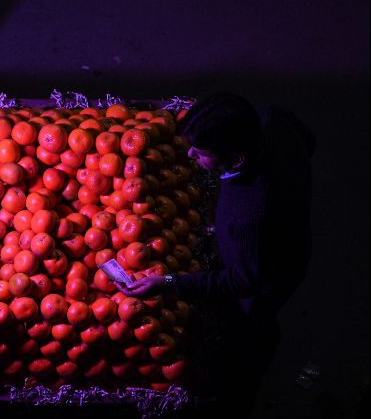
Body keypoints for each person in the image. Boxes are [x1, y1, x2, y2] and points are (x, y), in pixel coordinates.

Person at [117, 92, 316, 417]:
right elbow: (310, 141)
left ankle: (238, 400)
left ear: (236, 156)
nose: (190, 154)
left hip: (269, 276)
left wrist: (168, 281)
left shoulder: (248, 214)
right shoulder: (272, 119)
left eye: (201, 152)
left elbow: (242, 281)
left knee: (249, 337)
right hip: (292, 235)